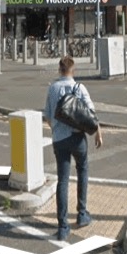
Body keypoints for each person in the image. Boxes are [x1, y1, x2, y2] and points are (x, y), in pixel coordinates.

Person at [43, 56, 103, 241]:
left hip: (59, 139)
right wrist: (98, 133)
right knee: (82, 171)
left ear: (60, 70)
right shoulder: (80, 88)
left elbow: (48, 116)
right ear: (73, 70)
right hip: (78, 138)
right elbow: (91, 114)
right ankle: (82, 214)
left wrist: (56, 130)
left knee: (63, 180)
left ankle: (63, 227)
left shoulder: (52, 88)